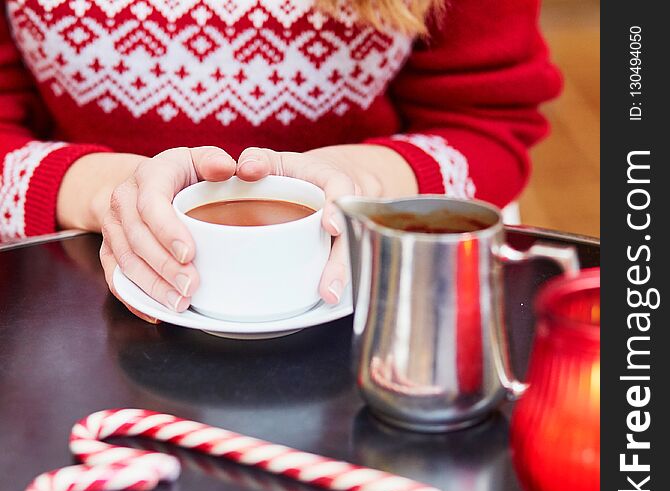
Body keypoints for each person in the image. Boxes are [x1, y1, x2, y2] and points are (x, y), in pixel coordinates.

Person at [0, 0, 561, 320]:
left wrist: (362, 184)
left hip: (369, 308)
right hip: (62, 306)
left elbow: (487, 123)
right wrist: (111, 195)